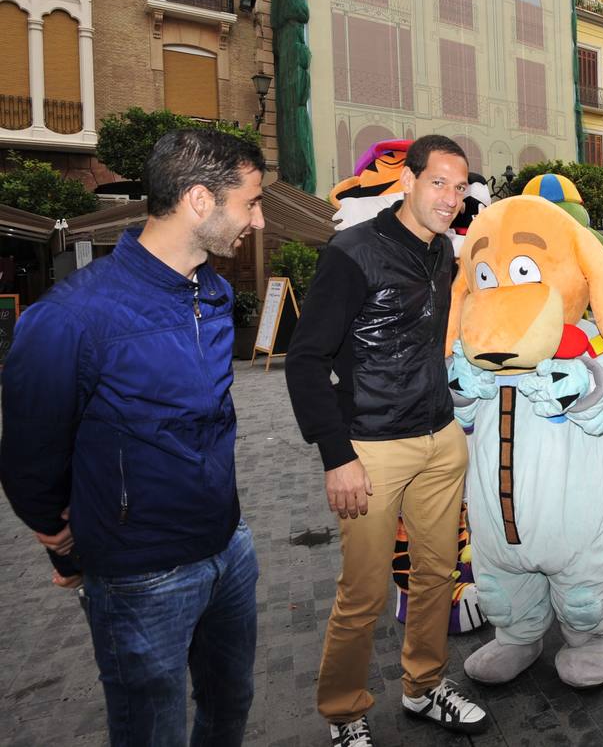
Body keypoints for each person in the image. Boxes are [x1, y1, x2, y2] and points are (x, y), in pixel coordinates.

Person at [0, 130, 266, 746]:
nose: (257, 220)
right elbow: (29, 456)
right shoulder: (71, 316)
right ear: (199, 199)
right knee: (152, 732)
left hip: (228, 547)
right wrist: (66, 547)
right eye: (251, 203)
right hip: (141, 576)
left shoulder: (215, 292)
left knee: (230, 705)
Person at [285, 135, 488, 744]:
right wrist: (337, 456)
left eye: (459, 187)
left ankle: (424, 687)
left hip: (440, 438)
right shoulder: (353, 252)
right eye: (438, 183)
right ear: (407, 181)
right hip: (372, 447)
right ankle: (343, 712)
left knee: (436, 575)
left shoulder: (442, 251)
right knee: (364, 592)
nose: (450, 198)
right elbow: (305, 360)